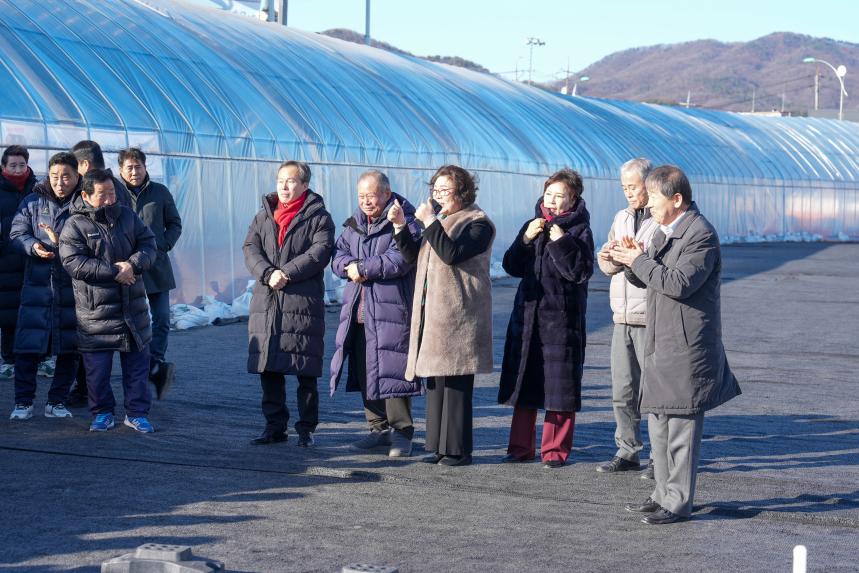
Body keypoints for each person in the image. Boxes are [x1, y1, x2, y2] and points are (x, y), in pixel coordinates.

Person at [610, 165, 741, 525]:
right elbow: (649, 280)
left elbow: (679, 283)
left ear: (677, 199)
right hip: (661, 339)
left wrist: (639, 260)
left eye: (653, 196)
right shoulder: (665, 232)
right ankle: (661, 494)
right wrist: (629, 261)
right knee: (659, 422)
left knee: (681, 425)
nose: (646, 203)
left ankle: (678, 502)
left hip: (687, 346)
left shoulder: (700, 235)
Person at [389, 165, 495, 467]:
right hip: (434, 315)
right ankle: (437, 446)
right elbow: (414, 257)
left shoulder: (478, 223)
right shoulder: (441, 221)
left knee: (457, 383)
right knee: (435, 383)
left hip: (461, 315)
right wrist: (400, 227)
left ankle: (459, 450)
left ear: (462, 192)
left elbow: (451, 253)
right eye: (435, 190)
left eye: (444, 190)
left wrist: (429, 221)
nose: (438, 196)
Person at [497, 169, 594, 468]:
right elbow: (511, 266)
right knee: (525, 382)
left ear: (573, 199)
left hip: (562, 320)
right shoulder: (533, 224)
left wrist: (560, 241)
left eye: (559, 196)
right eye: (549, 194)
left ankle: (554, 450)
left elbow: (578, 272)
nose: (551, 201)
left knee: (560, 387)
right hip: (528, 318)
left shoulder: (579, 231)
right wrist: (526, 239)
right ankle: (519, 447)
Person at [329, 171, 421, 458]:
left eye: (371, 195)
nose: (366, 201)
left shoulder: (406, 221)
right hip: (358, 311)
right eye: (361, 196)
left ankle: (402, 433)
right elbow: (337, 255)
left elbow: (401, 260)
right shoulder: (354, 223)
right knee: (365, 371)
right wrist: (349, 267)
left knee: (393, 371)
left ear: (386, 193)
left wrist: (362, 268)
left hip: (391, 310)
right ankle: (377, 428)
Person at [59, 169, 157, 433]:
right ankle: (102, 412)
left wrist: (133, 265)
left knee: (137, 368)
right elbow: (74, 263)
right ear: (86, 196)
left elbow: (149, 244)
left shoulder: (127, 215)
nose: (109, 199)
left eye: (112, 193)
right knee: (97, 372)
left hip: (132, 308)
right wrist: (117, 271)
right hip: (95, 314)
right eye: (102, 195)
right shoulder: (74, 224)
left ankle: (136, 413)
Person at [243, 160, 334, 447]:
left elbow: (320, 251)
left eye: (291, 181)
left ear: (305, 185)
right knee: (269, 367)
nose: (284, 186)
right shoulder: (263, 216)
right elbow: (250, 248)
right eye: (281, 180)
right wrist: (268, 273)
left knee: (304, 369)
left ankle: (306, 428)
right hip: (267, 300)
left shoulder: (319, 217)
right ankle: (274, 427)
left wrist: (287, 273)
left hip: (301, 301)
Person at [595, 158, 659, 478]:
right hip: (621, 315)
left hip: (650, 315)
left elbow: (657, 270)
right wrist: (607, 257)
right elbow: (609, 265)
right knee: (622, 389)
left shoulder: (660, 220)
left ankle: (660, 457)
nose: (628, 193)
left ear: (648, 184)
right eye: (624, 188)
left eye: (632, 187)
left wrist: (635, 259)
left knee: (655, 391)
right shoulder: (621, 217)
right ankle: (627, 450)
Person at [8, 152, 81, 420]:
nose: (60, 182)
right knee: (28, 345)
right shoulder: (32, 201)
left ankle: (57, 401)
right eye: (54, 177)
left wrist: (60, 242)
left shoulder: (85, 202)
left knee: (70, 347)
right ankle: (23, 402)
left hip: (73, 285)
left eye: (66, 177)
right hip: (37, 283)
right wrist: (33, 246)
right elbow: (17, 233)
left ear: (77, 176)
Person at [65, 140, 133, 406]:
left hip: (102, 285)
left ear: (84, 164)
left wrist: (119, 268)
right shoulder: (117, 189)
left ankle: (91, 395)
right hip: (119, 278)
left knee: (97, 345)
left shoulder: (100, 192)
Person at [118, 147, 182, 399]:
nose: (134, 171)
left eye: (138, 166)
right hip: (126, 267)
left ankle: (155, 361)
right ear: (121, 169)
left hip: (156, 264)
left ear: (146, 167)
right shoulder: (116, 193)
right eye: (129, 167)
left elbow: (174, 223)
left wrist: (162, 246)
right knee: (130, 320)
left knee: (162, 318)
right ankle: (138, 365)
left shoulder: (160, 192)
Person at [0, 145, 38, 379]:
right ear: (3, 167)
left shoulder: (37, 187)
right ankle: (8, 359)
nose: (17, 169)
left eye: (21, 164)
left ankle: (40, 358)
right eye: (12, 165)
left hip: (32, 257)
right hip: (4, 258)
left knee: (35, 310)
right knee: (7, 312)